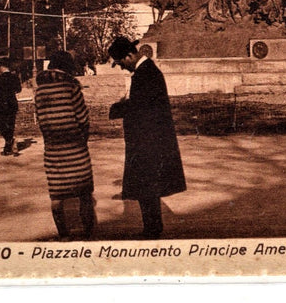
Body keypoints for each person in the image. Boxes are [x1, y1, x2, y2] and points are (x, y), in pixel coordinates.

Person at [108, 37, 186, 239]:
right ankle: (152, 227)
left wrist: (117, 108)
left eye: (121, 63)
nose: (122, 68)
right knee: (148, 187)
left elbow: (140, 108)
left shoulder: (145, 74)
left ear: (129, 55)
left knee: (146, 186)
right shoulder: (146, 71)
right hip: (150, 139)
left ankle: (151, 229)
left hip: (148, 141)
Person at [34, 51, 96, 240]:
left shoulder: (40, 91)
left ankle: (64, 235)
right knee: (84, 193)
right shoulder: (71, 87)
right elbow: (83, 119)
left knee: (57, 196)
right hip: (76, 148)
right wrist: (81, 141)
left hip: (53, 150)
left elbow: (41, 122)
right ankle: (87, 235)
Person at [0, 60, 22, 156]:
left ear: (2, 67)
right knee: (10, 125)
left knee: (0, 125)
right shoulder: (15, 77)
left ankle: (9, 144)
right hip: (11, 104)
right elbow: (18, 90)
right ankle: (10, 143)